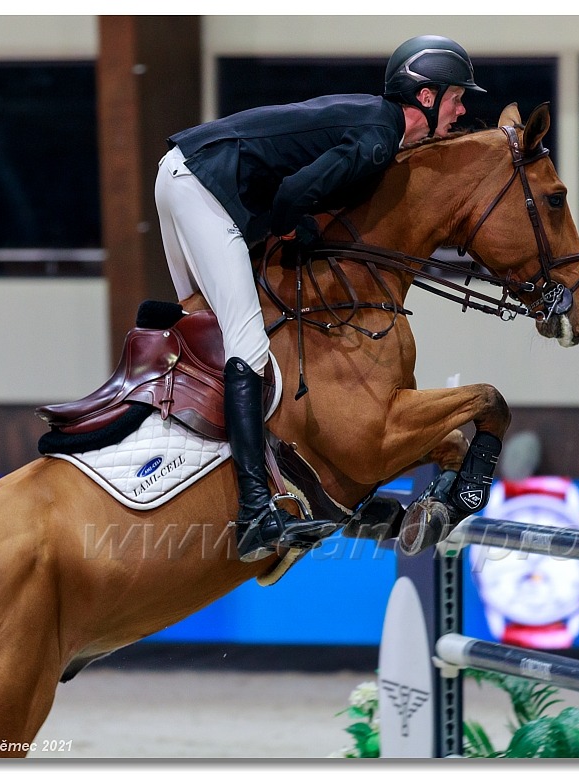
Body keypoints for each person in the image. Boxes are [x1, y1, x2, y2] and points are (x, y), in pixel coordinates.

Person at [154, 35, 486, 563]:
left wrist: (298, 226)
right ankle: (254, 511)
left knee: (207, 334)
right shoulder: (380, 139)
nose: (463, 108)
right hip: (201, 184)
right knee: (245, 343)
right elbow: (291, 198)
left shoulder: (379, 128)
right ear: (426, 97)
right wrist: (300, 227)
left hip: (185, 175)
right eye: (456, 97)